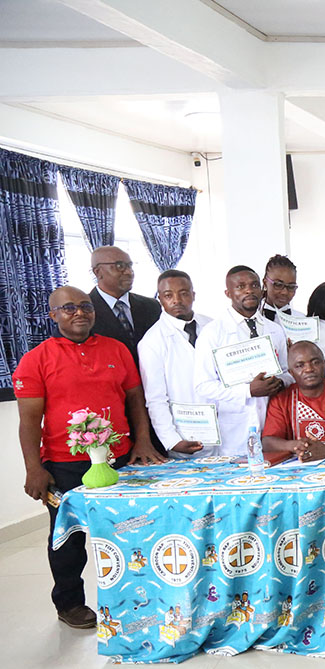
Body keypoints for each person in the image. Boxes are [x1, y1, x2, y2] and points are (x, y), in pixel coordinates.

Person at [15, 286, 165, 628]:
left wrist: (142, 442)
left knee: (132, 529)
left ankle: (146, 596)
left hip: (121, 459)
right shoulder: (37, 359)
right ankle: (69, 603)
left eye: (85, 306)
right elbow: (29, 422)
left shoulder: (117, 350)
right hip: (66, 465)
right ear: (53, 315)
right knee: (69, 537)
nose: (80, 312)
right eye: (69, 308)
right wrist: (33, 469)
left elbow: (135, 401)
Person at [193, 266, 290, 456]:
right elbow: (202, 386)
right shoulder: (212, 333)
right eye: (240, 286)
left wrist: (279, 382)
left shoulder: (275, 330)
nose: (249, 290)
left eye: (254, 285)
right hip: (234, 430)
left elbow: (287, 373)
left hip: (274, 425)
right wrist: (247, 391)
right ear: (228, 293)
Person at [137, 269, 214, 457]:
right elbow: (155, 398)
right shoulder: (151, 341)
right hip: (186, 435)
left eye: (184, 293)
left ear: (193, 295)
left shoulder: (212, 326)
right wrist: (171, 441)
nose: (177, 300)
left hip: (226, 426)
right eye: (168, 295)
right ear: (160, 299)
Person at [87, 245, 160, 363]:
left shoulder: (151, 306)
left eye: (130, 266)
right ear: (98, 272)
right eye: (119, 266)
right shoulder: (83, 311)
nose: (129, 272)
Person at [261, 254, 298, 321]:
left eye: (291, 287)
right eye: (278, 285)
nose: (284, 292)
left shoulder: (303, 319)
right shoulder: (253, 318)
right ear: (265, 283)